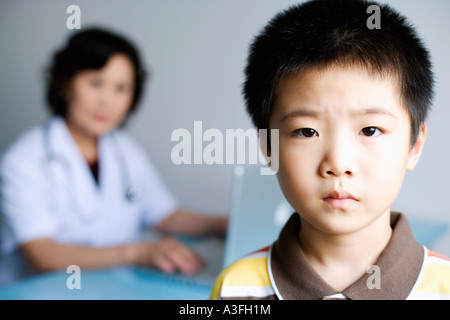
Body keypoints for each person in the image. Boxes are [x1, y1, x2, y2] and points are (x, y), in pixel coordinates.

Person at [210, 0, 450, 300]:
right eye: (307, 131)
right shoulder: (237, 290)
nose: (338, 163)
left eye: (370, 130)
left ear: (414, 145)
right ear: (268, 147)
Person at [0, 28, 227, 286]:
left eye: (121, 88)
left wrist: (221, 224)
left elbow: (167, 216)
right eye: (96, 83)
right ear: (65, 84)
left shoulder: (125, 151)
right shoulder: (24, 159)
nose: (107, 101)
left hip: (108, 288)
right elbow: (43, 255)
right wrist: (137, 251)